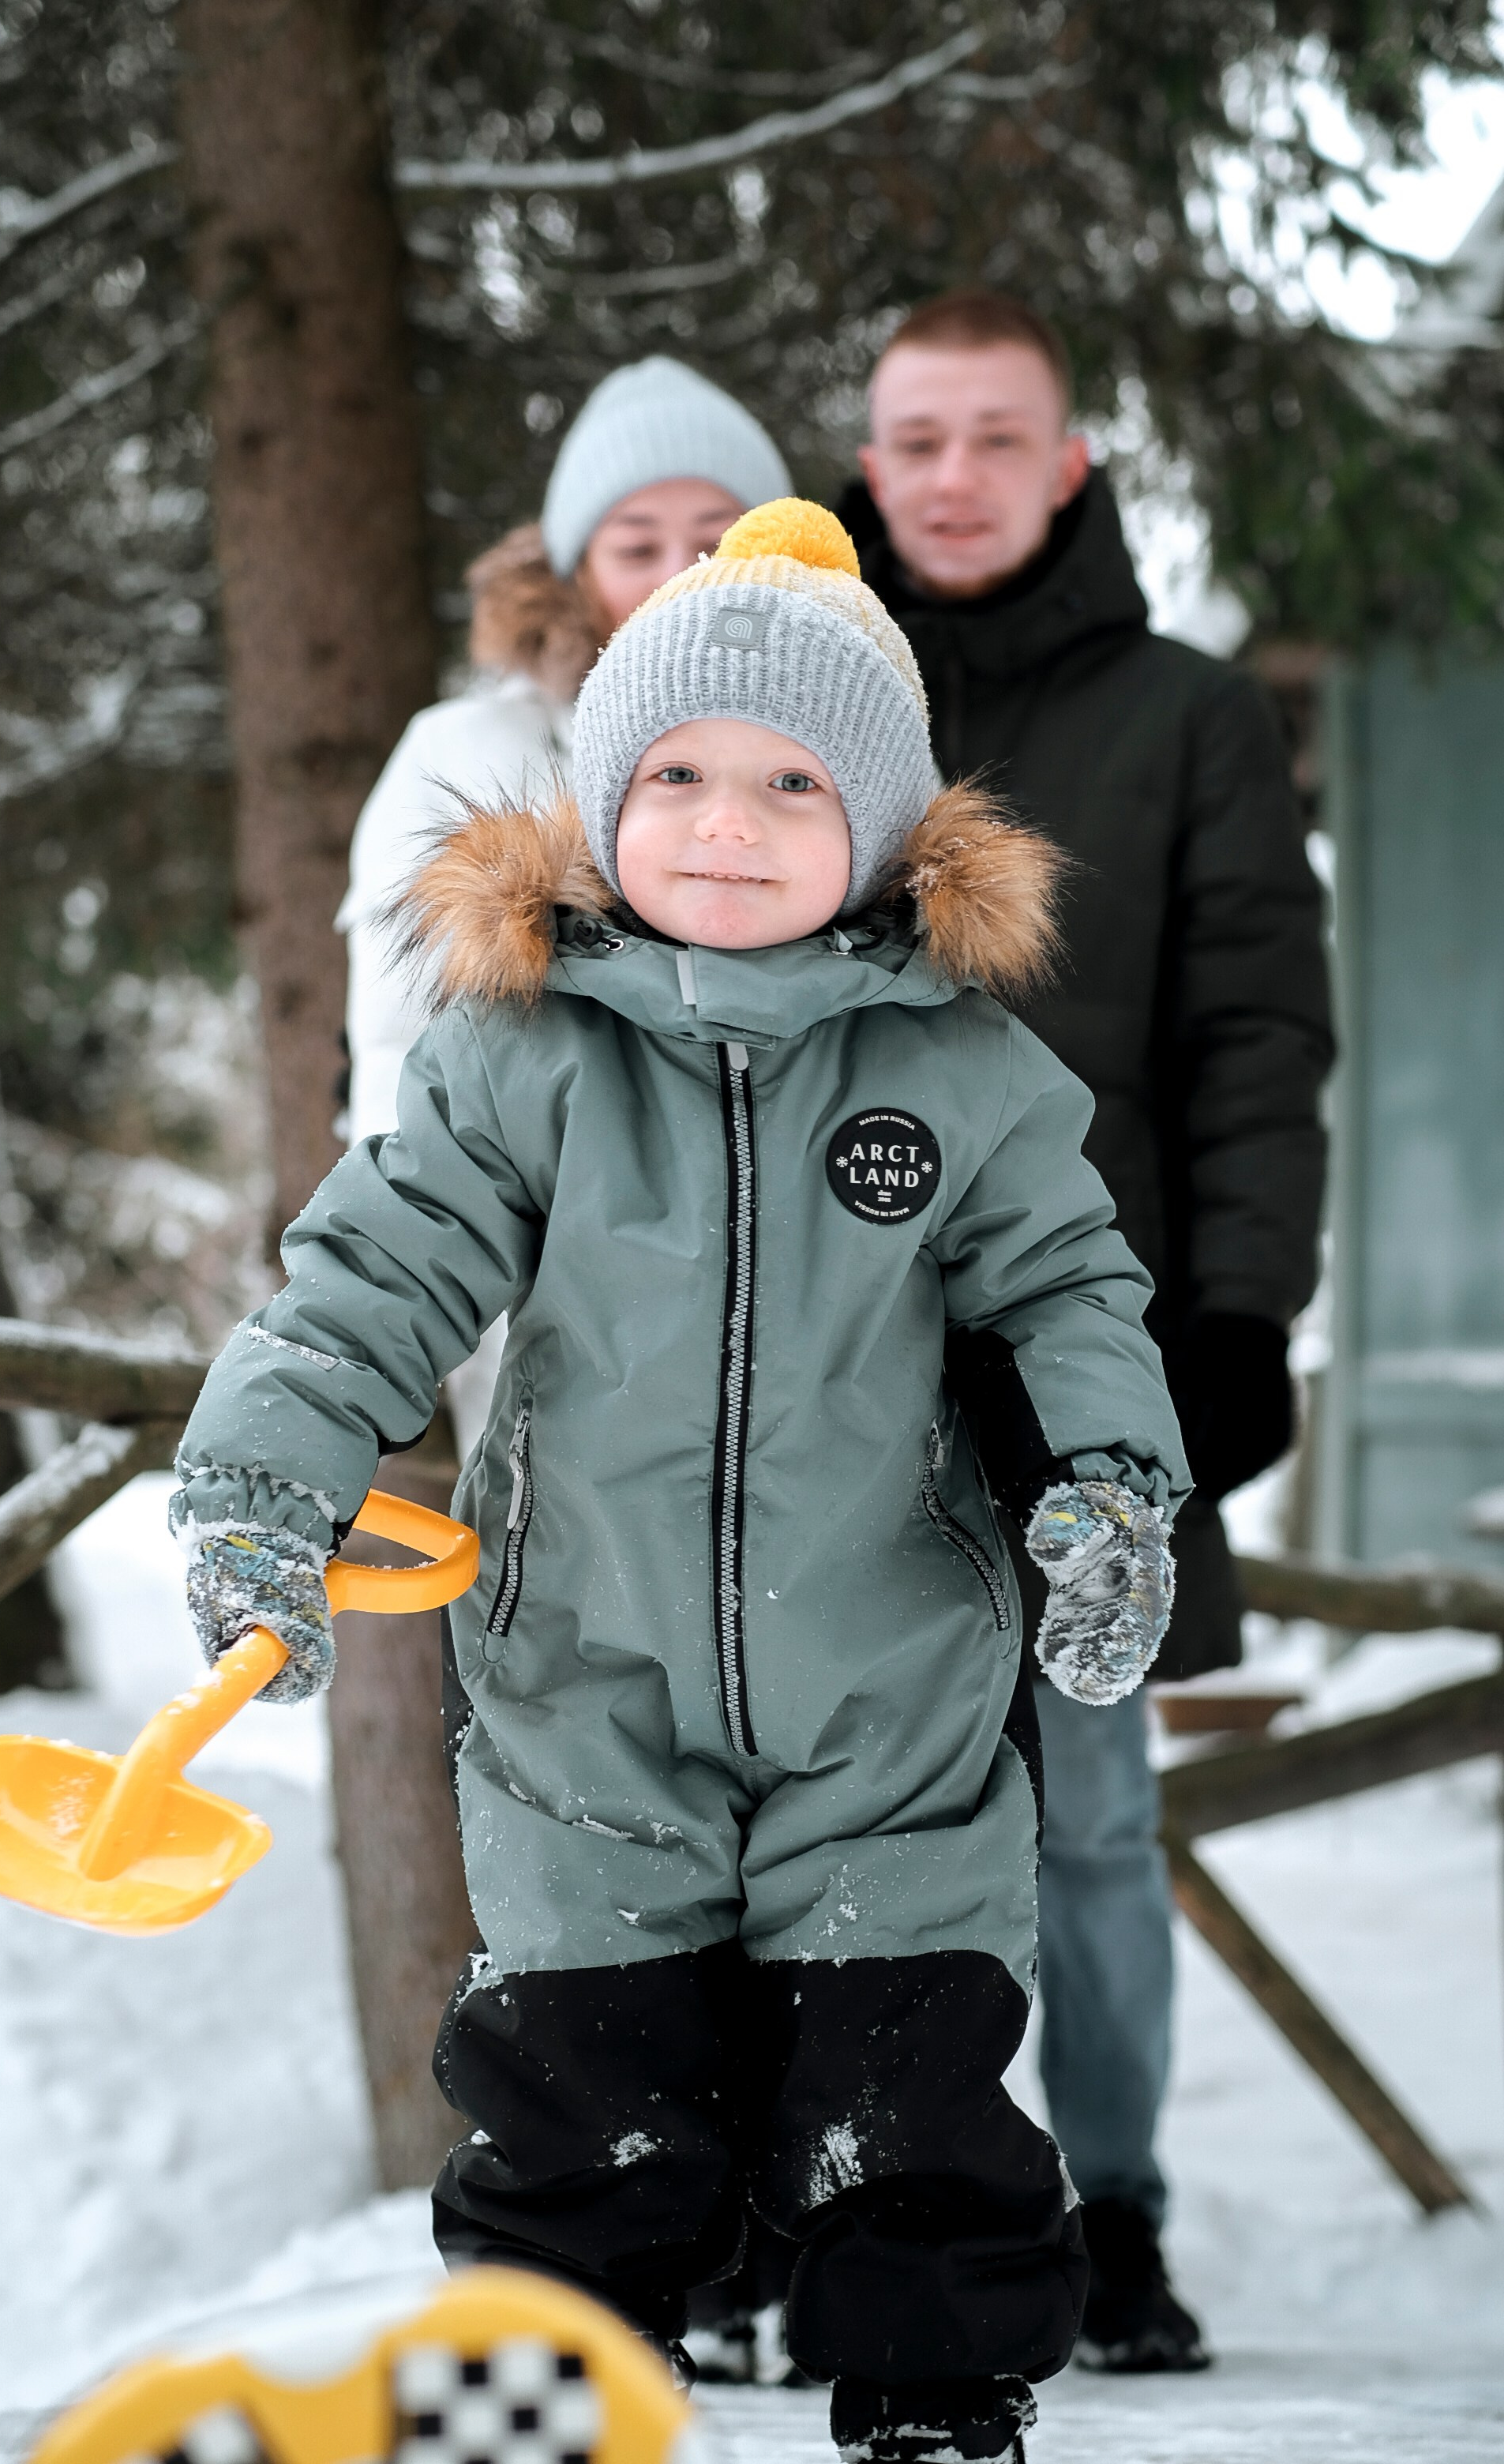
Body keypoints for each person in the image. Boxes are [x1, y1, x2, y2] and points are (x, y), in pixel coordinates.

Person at [170, 497, 1191, 2464]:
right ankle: (539, 2418)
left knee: (911, 2112)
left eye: (794, 783)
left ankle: (929, 2419)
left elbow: (1069, 1288)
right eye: (679, 775)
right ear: (600, 795)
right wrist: (262, 1494)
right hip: (583, 1690)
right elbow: (366, 1280)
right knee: (578, 2108)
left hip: (886, 1689)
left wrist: (1107, 1493)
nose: (727, 820)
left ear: (884, 829)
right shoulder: (519, 1053)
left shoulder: (957, 1074)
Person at [835, 290, 1333, 2372]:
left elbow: (1257, 1044)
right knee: (828, 1816)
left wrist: (1237, 1317)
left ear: (1073, 465)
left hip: (1087, 1375)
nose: (952, 476)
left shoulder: (1195, 717)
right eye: (917, 439)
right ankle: (851, 2205)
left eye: (995, 436)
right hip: (821, 1366)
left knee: (1091, 1820)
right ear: (867, 465)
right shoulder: (794, 696)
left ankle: (1110, 2213)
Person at [338, 357, 788, 1457]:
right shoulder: (466, 758)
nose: (683, 570)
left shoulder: (846, 753)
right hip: (555, 1319)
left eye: (717, 533)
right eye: (636, 545)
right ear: (575, 571)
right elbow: (403, 1057)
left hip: (800, 1318)